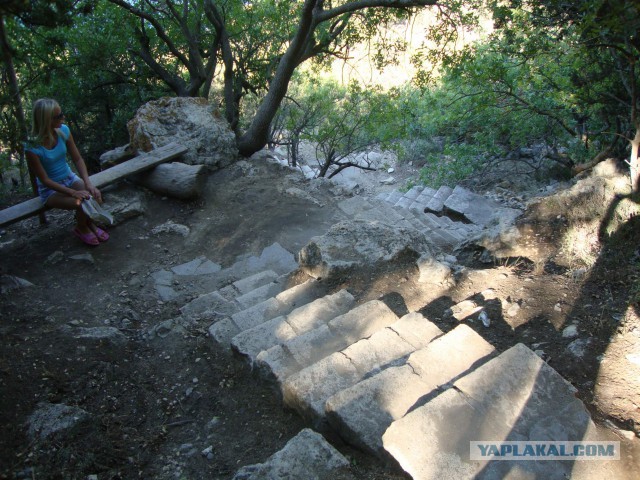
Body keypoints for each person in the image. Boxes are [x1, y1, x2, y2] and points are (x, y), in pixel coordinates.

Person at [25, 98, 109, 246]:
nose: (63, 118)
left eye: (61, 114)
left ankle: (89, 224)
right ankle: (82, 227)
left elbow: (77, 159)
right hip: (50, 189)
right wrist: (72, 193)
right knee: (79, 203)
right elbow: (45, 180)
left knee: (91, 196)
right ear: (46, 120)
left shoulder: (63, 130)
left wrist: (88, 184)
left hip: (69, 177)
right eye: (58, 116)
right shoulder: (32, 147)